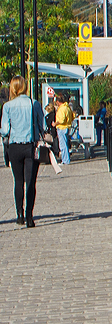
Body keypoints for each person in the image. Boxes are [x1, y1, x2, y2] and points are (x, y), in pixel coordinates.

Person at [1, 76, 49, 227]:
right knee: (30, 182)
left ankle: (19, 214)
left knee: (18, 181)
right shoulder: (33, 103)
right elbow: (43, 125)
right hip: (31, 147)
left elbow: (5, 130)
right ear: (25, 87)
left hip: (15, 147)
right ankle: (29, 216)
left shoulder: (8, 106)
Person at [55, 94, 75, 165]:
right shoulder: (67, 107)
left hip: (61, 127)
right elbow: (73, 116)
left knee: (63, 145)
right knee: (65, 144)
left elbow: (62, 120)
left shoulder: (61, 109)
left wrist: (55, 123)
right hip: (67, 127)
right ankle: (66, 159)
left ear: (58, 101)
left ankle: (65, 160)